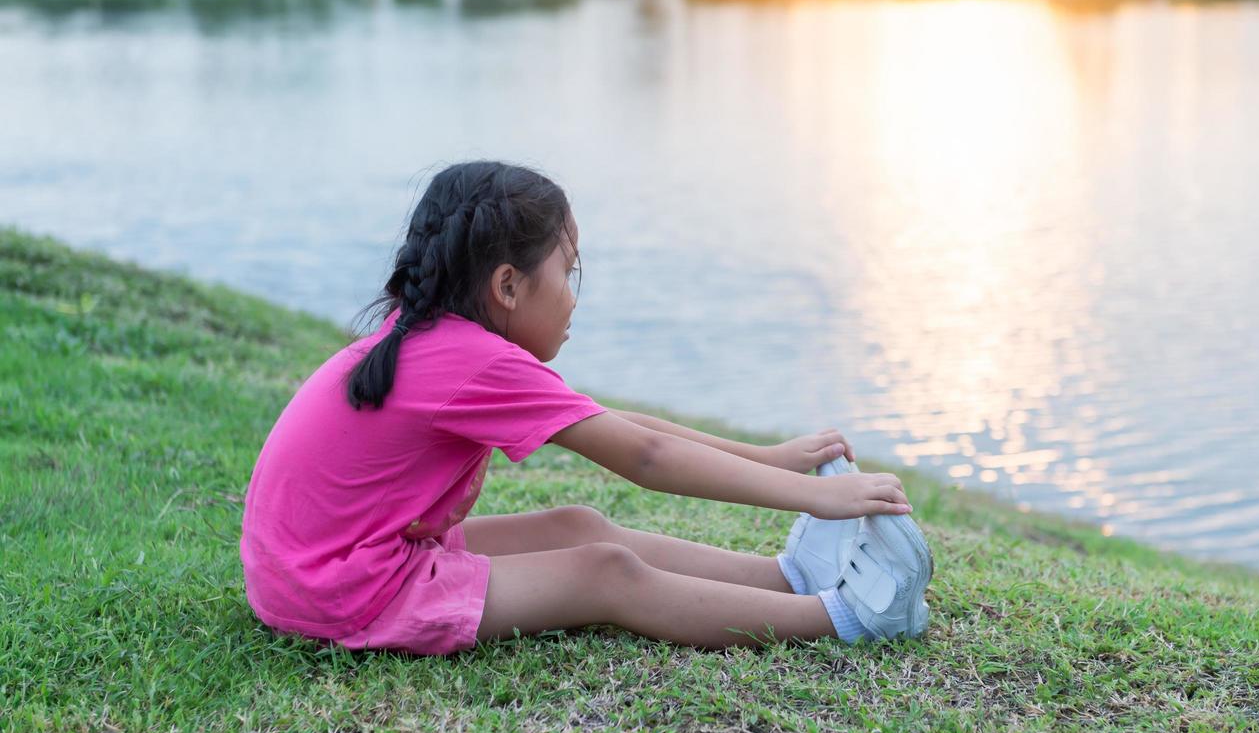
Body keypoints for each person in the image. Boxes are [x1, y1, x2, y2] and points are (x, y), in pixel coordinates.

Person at [239, 161, 933, 655]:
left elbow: (620, 426)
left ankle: (788, 581)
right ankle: (848, 617)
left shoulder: (435, 336)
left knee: (578, 524)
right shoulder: (468, 359)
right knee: (606, 575)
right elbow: (646, 458)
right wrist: (813, 499)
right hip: (343, 589)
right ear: (508, 285)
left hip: (322, 567)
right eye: (566, 273)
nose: (574, 295)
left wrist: (767, 458)